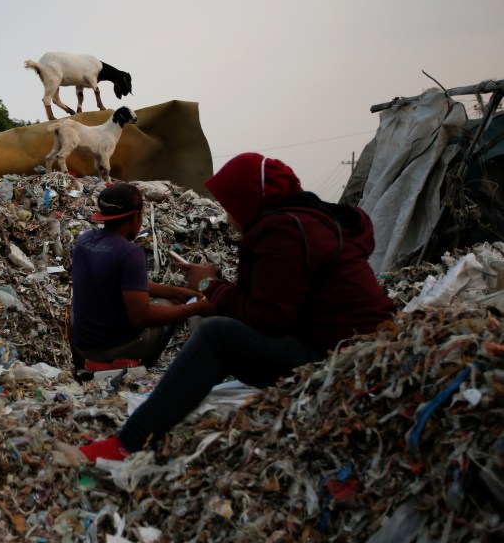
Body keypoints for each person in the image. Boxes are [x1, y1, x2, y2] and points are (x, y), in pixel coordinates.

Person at [78, 153, 395, 462]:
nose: (228, 219)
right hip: (370, 352)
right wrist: (205, 295)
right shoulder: (312, 222)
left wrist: (207, 288)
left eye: (231, 208)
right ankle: (174, 398)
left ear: (249, 200)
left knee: (217, 334)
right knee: (206, 319)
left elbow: (265, 319)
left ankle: (128, 442)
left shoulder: (283, 231)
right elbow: (271, 305)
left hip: (343, 364)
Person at [69, 182, 208, 370]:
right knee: (173, 307)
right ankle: (144, 369)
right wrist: (196, 308)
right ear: (137, 216)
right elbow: (141, 317)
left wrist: (174, 290)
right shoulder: (130, 252)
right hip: (115, 347)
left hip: (83, 346)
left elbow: (119, 282)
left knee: (74, 312)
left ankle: (79, 369)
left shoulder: (85, 240)